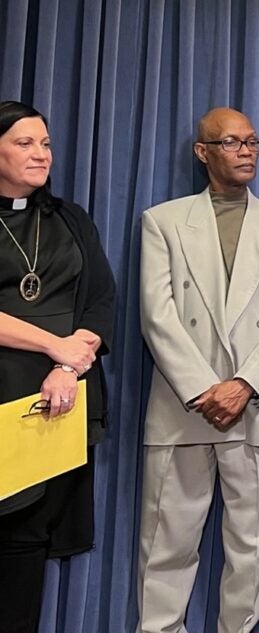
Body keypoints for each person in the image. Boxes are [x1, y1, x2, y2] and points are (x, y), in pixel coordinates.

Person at [136, 107, 259, 633]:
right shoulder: (162, 221)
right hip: (183, 409)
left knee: (252, 554)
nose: (246, 152)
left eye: (253, 142)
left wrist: (242, 386)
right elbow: (157, 314)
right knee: (166, 547)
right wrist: (204, 390)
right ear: (203, 152)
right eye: (233, 142)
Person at [0, 101, 115, 633]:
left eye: (45, 143)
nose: (40, 154)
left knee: (28, 545)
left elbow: (99, 301)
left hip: (54, 406)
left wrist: (69, 368)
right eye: (25, 143)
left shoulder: (70, 218)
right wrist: (56, 346)